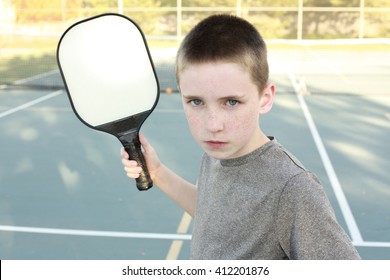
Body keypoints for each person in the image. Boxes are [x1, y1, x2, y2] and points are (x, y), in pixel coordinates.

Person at [121, 14, 361, 260]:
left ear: (264, 98)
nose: (213, 125)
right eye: (196, 101)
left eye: (231, 102)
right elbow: (214, 216)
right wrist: (159, 173)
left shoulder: (293, 189)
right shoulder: (216, 154)